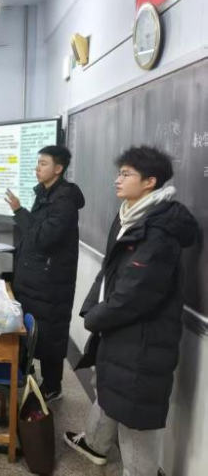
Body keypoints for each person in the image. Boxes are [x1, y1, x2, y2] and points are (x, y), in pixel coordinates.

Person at [64, 146, 198, 476]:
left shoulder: (159, 232)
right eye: (119, 172)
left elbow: (134, 296)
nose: (117, 179)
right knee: (109, 388)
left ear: (150, 181)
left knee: (135, 417)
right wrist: (91, 308)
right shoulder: (129, 216)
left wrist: (96, 318)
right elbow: (109, 270)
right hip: (117, 330)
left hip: (142, 340)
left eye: (126, 174)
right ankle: (95, 445)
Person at [5, 145, 85, 402]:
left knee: (50, 333)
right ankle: (27, 373)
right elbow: (36, 231)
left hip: (51, 282)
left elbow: (44, 237)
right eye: (37, 163)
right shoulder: (46, 193)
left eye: (43, 164)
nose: (37, 168)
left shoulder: (65, 201)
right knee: (33, 330)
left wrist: (19, 212)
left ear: (58, 169)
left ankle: (52, 387)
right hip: (35, 277)